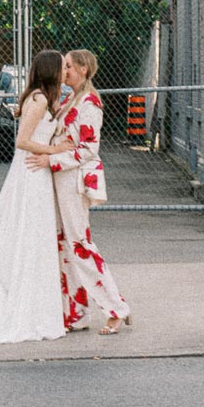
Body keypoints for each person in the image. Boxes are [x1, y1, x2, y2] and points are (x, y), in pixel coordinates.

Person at [0, 49, 76, 344]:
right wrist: (53, 150)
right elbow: (22, 141)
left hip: (39, 173)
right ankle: (29, 315)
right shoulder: (38, 99)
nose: (66, 71)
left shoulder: (48, 99)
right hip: (31, 173)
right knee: (32, 238)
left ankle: (40, 310)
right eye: (63, 67)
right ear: (52, 71)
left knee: (39, 241)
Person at [28, 49, 131, 334]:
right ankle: (75, 313)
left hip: (75, 181)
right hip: (61, 180)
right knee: (65, 246)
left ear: (84, 69)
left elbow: (88, 149)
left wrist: (52, 159)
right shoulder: (69, 99)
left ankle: (116, 308)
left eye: (70, 66)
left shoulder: (89, 103)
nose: (65, 71)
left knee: (80, 245)